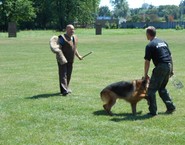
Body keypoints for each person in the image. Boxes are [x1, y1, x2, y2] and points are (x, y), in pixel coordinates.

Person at [144, 26, 176, 116]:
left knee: (151, 90)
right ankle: (171, 107)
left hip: (161, 67)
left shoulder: (150, 45)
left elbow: (147, 61)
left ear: (148, 34)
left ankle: (153, 111)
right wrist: (172, 69)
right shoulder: (163, 42)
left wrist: (145, 74)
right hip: (168, 65)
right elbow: (170, 56)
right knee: (162, 88)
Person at [57, 24, 83, 96]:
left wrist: (78, 56)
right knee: (63, 74)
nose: (72, 31)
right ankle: (64, 90)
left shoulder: (74, 38)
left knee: (68, 74)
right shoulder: (62, 38)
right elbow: (58, 47)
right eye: (71, 29)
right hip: (62, 59)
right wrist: (61, 57)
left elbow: (74, 48)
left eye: (73, 29)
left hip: (70, 59)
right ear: (67, 30)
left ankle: (66, 88)